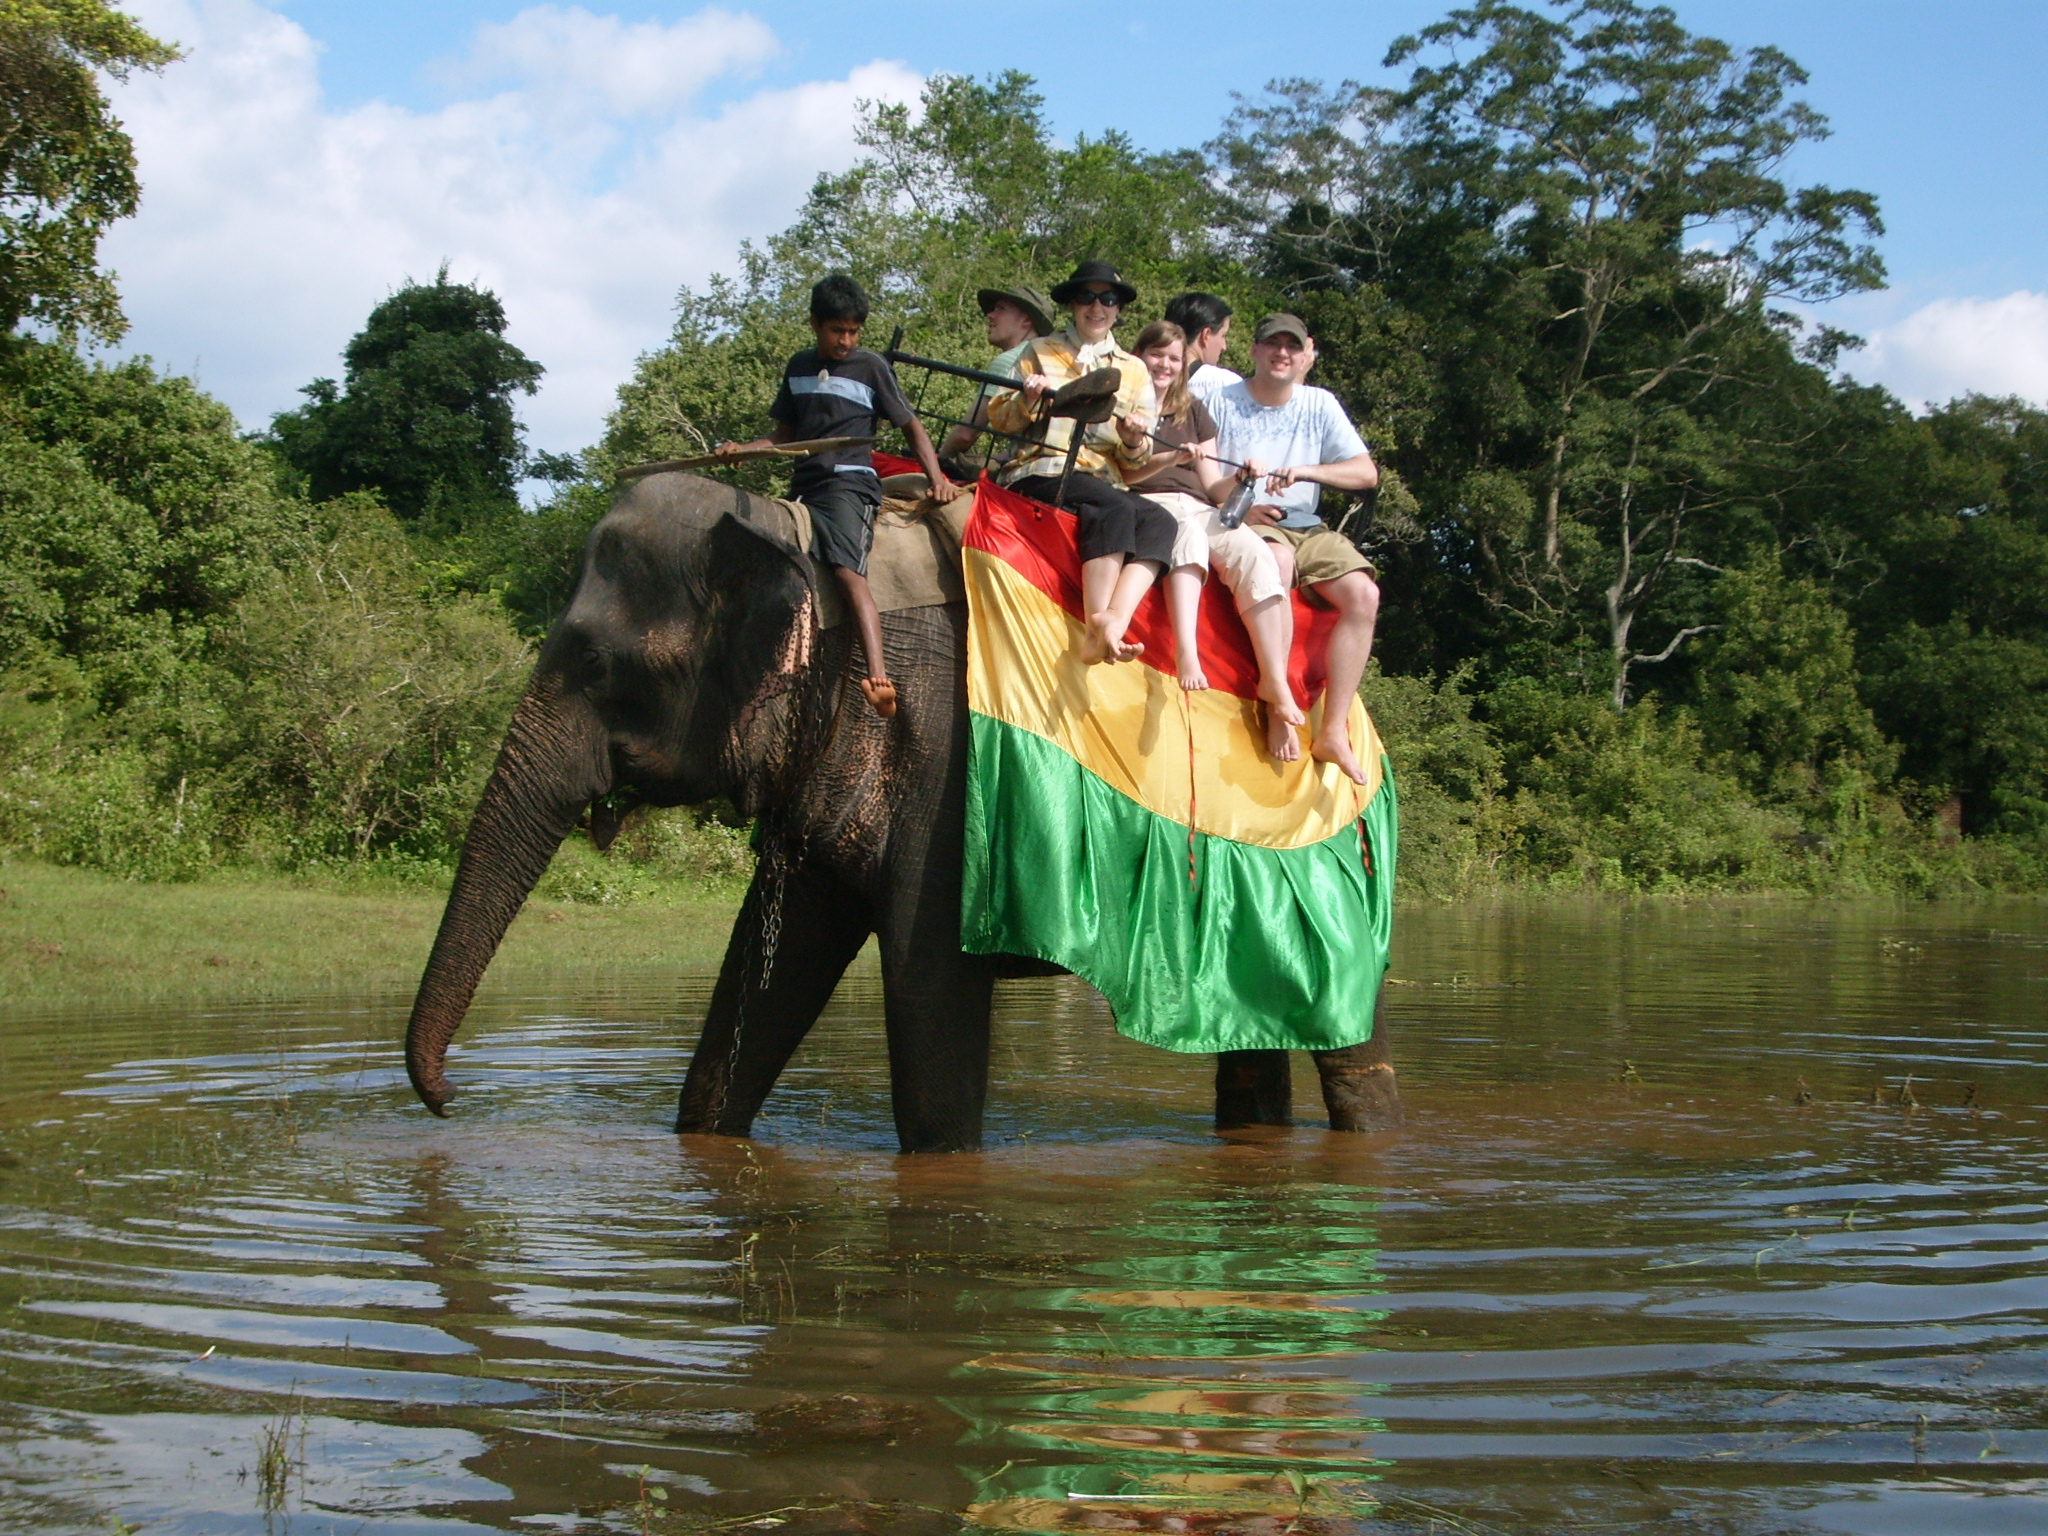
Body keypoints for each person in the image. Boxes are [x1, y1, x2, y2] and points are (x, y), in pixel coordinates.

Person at [717, 273, 957, 719]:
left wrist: (937, 476)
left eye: (853, 331)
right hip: (804, 485)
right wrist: (743, 451)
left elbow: (911, 425)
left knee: (848, 572)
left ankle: (878, 675)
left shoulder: (871, 368)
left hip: (849, 483)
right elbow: (783, 436)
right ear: (814, 324)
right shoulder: (798, 367)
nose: (845, 340)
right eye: (836, 330)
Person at [1209, 313, 1382, 781]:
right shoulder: (1219, 397)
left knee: (1365, 594)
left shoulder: (1319, 404)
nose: (1281, 354)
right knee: (1276, 562)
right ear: (1255, 351)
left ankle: (1333, 731)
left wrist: (1308, 471)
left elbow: (1366, 473)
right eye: (1272, 345)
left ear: (1306, 353)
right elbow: (1199, 469)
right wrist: (1240, 506)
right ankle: (1278, 705)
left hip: (1308, 523)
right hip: (1249, 519)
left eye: (1291, 346)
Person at [1123, 320, 1307, 756]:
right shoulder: (1127, 403)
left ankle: (1273, 680)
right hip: (1149, 500)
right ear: (1140, 355)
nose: (1165, 365)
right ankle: (1187, 651)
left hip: (1197, 503)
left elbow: (1212, 486)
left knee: (1254, 551)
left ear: (1185, 363)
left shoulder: (1194, 411)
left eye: (1174, 357)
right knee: (1184, 532)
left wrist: (1241, 478)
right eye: (1156, 355)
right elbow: (1126, 473)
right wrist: (1169, 457)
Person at [987, 260, 1177, 665]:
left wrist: (1131, 440)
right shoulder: (1038, 351)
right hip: (1042, 468)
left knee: (1162, 521)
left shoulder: (1134, 369)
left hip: (1099, 477)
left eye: (1107, 298)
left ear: (1118, 309)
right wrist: (1028, 399)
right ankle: (1095, 625)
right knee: (1116, 506)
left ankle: (1114, 618)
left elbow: (1133, 459)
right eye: (1087, 297)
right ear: (1073, 305)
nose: (1097, 307)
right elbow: (1000, 420)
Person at [940, 283, 1054, 464]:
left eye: (1001, 309)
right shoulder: (1052, 358)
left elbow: (967, 433)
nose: (990, 315)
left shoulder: (1012, 360)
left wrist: (936, 459)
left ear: (1026, 320)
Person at [1164, 291, 1240, 409]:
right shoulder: (1227, 385)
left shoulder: (1146, 376)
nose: (1224, 346)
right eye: (1223, 336)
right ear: (1206, 335)